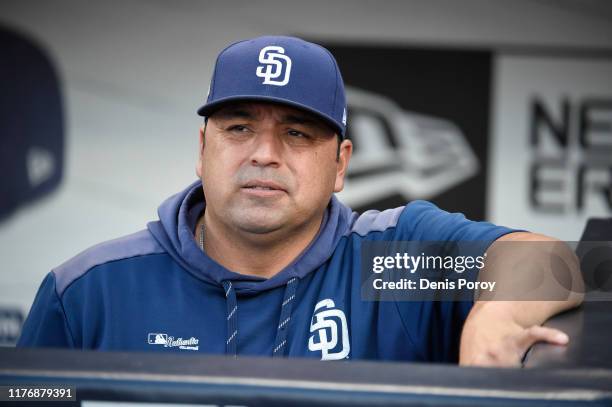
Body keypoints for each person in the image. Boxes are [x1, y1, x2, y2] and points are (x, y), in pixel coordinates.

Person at [17, 35, 583, 365]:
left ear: (340, 165)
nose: (264, 153)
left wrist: (498, 314)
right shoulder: (90, 289)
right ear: (202, 148)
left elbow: (555, 262)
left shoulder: (387, 263)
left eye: (297, 134)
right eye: (238, 128)